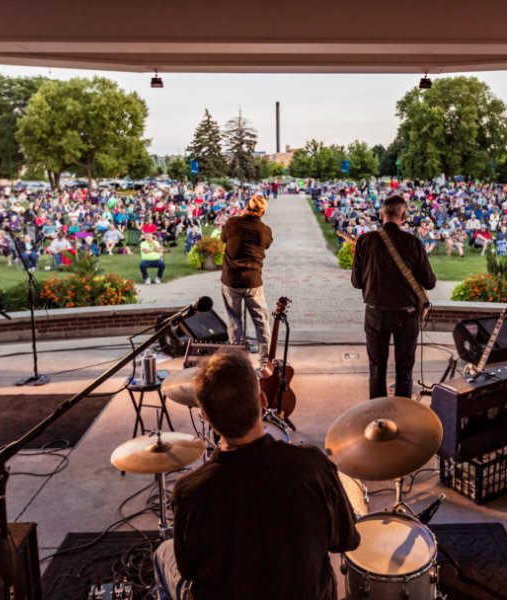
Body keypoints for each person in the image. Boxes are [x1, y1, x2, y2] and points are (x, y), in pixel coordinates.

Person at [153, 349, 360, 600]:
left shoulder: (190, 492)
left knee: (162, 554)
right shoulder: (313, 467)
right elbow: (347, 541)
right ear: (262, 401)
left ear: (205, 417)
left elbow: (188, 569)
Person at [351, 195, 436, 399]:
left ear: (382, 214)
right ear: (403, 215)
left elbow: (356, 282)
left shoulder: (365, 241)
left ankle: (377, 421)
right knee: (404, 370)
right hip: (406, 316)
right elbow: (430, 282)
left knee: (377, 368)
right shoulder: (413, 243)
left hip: (375, 313)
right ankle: (402, 417)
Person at [220, 194, 274, 366]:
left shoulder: (232, 223)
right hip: (253, 282)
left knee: (234, 321)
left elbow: (223, 238)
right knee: (261, 322)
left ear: (247, 206)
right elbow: (267, 244)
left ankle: (238, 363)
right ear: (263, 211)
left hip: (231, 280)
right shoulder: (264, 230)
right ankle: (266, 362)